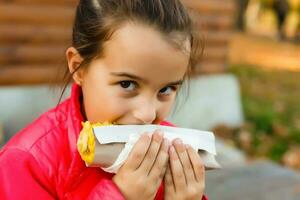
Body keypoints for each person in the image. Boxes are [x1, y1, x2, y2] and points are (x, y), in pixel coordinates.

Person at [0, 0, 208, 199]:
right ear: (78, 68)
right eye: (127, 84)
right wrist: (121, 196)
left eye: (165, 89)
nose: (148, 114)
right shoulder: (26, 163)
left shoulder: (171, 153)